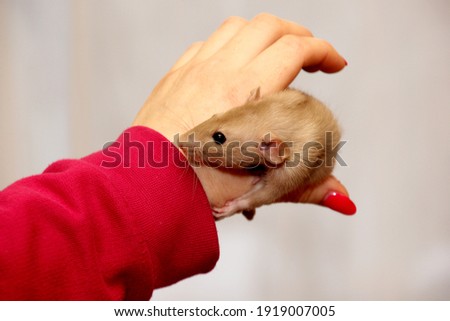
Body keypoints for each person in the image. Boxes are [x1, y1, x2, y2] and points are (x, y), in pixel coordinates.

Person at [0, 14, 355, 300]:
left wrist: (241, 199)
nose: (184, 142)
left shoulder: (289, 156)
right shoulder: (258, 129)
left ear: (272, 151)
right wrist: (140, 188)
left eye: (216, 137)